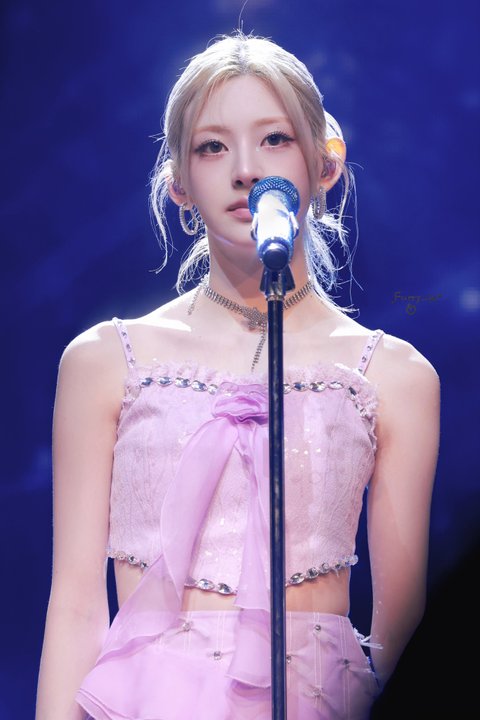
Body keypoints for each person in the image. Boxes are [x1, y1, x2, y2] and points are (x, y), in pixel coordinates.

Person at [35, 31, 440, 720]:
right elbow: (75, 605)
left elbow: (404, 631)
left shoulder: (391, 377)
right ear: (179, 185)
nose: (247, 169)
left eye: (275, 139)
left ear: (325, 165)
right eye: (212, 147)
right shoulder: (106, 362)